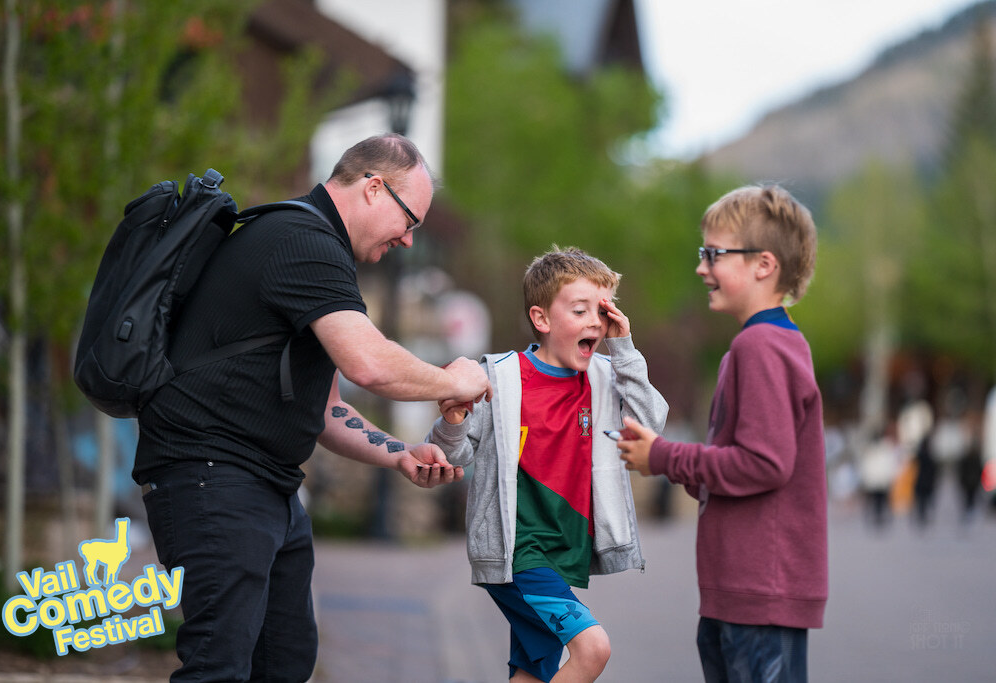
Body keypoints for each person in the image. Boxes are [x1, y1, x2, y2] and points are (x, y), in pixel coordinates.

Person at [132, 134, 492, 682]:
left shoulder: (316, 249)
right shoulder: (301, 239)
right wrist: (454, 379)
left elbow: (324, 409)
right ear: (373, 189)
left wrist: (399, 455)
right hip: (212, 477)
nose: (409, 241)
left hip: (265, 485)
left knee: (284, 663)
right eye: (409, 221)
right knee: (219, 667)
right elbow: (368, 363)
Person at [427, 246, 669, 682]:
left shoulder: (605, 376)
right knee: (592, 649)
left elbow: (650, 425)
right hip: (519, 553)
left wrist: (624, 347)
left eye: (604, 310)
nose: (595, 321)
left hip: (563, 553)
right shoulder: (498, 377)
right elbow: (452, 455)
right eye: (580, 310)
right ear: (542, 319)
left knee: (533, 672)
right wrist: (453, 418)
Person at [617, 185, 827, 683]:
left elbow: (763, 464)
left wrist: (665, 457)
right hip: (749, 594)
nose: (701, 267)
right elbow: (739, 466)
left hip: (757, 595)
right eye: (702, 253)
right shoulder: (771, 343)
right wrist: (666, 460)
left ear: (764, 265)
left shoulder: (760, 347)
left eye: (714, 254)